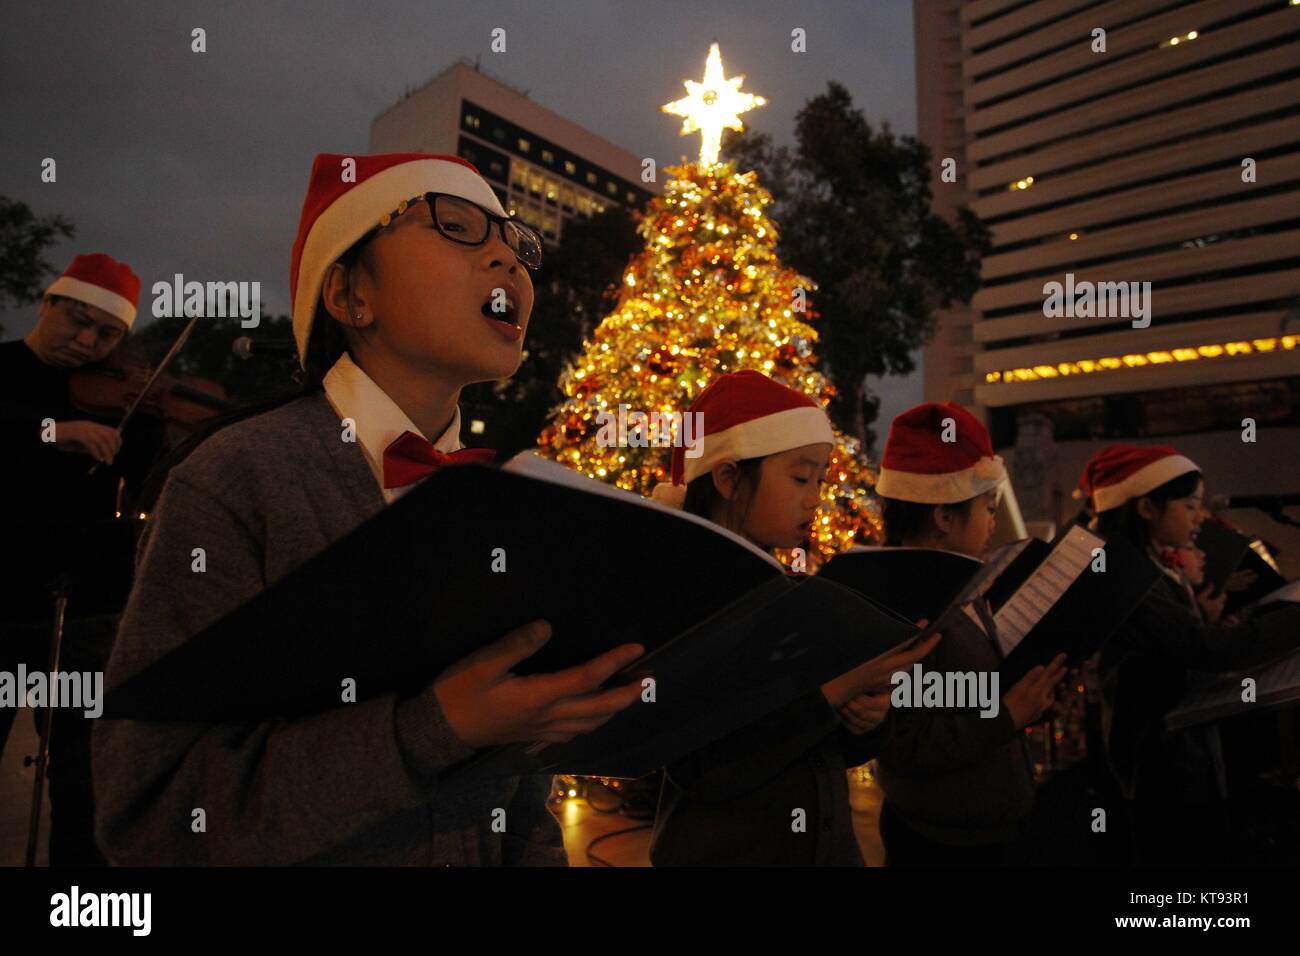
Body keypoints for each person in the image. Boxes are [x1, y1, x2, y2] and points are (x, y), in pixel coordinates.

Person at [93, 153, 645, 865]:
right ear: (351, 295)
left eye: (516, 243)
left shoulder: (501, 505)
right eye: (458, 225)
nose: (508, 258)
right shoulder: (240, 479)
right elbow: (151, 816)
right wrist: (434, 728)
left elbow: (519, 801)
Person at [648, 370, 940, 865]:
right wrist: (833, 693)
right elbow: (704, 766)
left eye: (820, 480)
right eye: (801, 477)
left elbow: (819, 751)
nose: (815, 497)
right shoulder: (685, 603)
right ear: (727, 478)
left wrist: (866, 720)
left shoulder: (792, 591)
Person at [0, 252, 166, 866]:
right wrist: (54, 430)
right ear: (47, 303)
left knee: (82, 780)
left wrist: (153, 422)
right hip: (3, 597)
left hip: (87, 606)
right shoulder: (5, 368)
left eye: (108, 334)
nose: (88, 342)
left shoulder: (128, 398)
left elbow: (149, 477)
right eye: (78, 322)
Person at [870, 402, 1066, 866]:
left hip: (986, 831)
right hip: (941, 843)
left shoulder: (962, 586)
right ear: (944, 515)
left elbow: (966, 694)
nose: (993, 521)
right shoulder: (909, 606)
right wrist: (1007, 714)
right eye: (987, 506)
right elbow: (904, 743)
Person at [1083, 444, 1300, 864]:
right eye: (1189, 505)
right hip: (1158, 764)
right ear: (1147, 507)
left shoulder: (1143, 569)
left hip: (1176, 751)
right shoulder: (1124, 574)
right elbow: (1206, 650)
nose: (1198, 518)